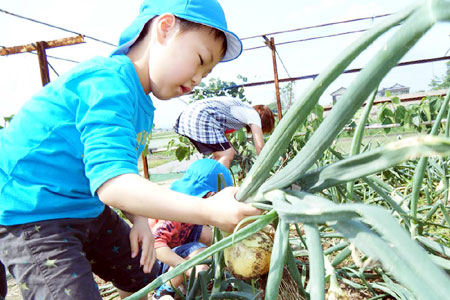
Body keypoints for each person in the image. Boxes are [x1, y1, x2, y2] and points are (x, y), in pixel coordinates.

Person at [0, 0, 261, 299]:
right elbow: (113, 185)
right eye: (200, 59)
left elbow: (118, 166)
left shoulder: (142, 103)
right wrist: (208, 211)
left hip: (84, 207)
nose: (199, 78)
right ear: (165, 28)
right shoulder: (109, 83)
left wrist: (139, 220)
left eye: (207, 71)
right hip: (33, 214)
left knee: (145, 274)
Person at [149, 158, 233, 299]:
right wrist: (187, 267)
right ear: (209, 195)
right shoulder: (175, 212)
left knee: (205, 235)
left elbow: (210, 237)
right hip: (153, 263)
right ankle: (164, 291)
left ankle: (179, 281)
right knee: (200, 255)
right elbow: (155, 246)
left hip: (171, 252)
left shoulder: (190, 207)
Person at [174, 97, 275, 168]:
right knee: (227, 154)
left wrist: (231, 149)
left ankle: (208, 182)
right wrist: (267, 166)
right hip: (201, 115)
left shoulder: (242, 110)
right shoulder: (253, 114)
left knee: (222, 154)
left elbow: (222, 137)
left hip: (189, 115)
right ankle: (219, 188)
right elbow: (260, 148)